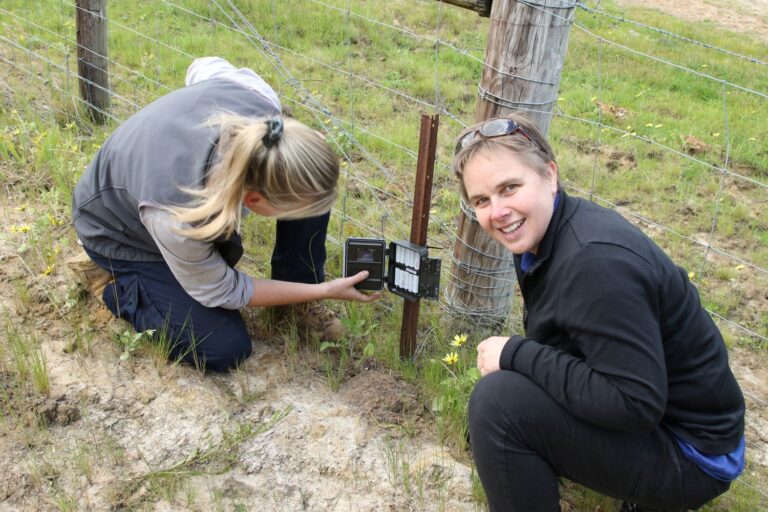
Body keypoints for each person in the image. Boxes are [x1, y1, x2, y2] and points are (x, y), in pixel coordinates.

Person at [453, 115, 745, 511]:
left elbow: (636, 402)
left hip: (694, 453)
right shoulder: (543, 236)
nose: (498, 211)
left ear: (550, 175)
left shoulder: (594, 262)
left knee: (498, 406)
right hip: (672, 422)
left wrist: (516, 354)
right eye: (481, 201)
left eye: (510, 187)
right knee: (502, 404)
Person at [71, 56, 379, 372]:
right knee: (222, 346)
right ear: (255, 199)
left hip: (156, 196)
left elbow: (201, 65)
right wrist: (324, 289)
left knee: (309, 183)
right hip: (116, 230)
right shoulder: (179, 215)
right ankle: (113, 282)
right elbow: (224, 290)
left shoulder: (257, 100)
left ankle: (296, 300)